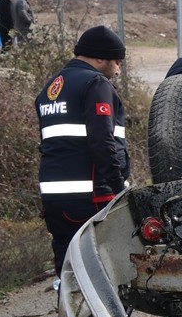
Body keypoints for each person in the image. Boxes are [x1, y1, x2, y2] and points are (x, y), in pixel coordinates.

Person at [35, 26, 129, 276]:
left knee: (69, 270)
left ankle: (70, 315)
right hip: (92, 197)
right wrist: (119, 188)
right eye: (117, 62)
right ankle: (100, 316)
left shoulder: (50, 88)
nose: (118, 70)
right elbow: (102, 142)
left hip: (55, 200)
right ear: (100, 58)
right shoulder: (95, 83)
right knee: (103, 270)